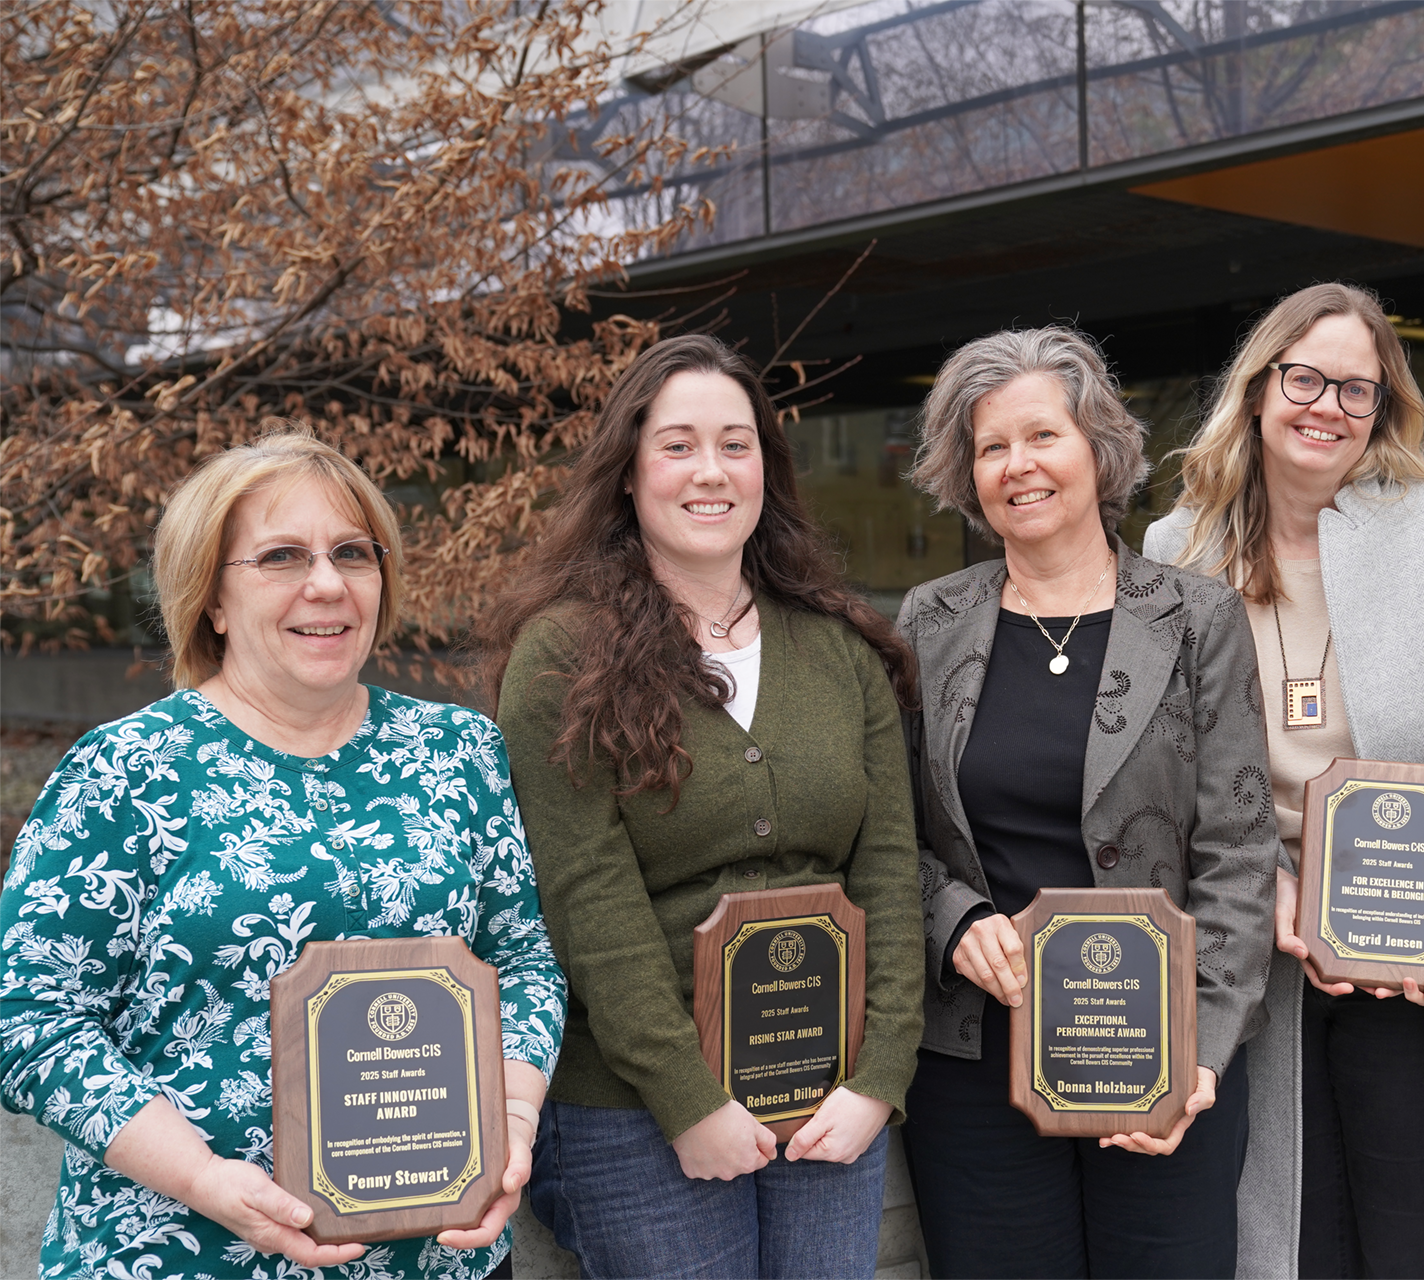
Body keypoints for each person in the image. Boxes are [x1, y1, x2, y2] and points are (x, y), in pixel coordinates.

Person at [0, 424, 567, 1280]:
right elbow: (30, 1020)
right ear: (211, 600)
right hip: (182, 1254)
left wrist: (513, 1123)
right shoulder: (125, 772)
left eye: (353, 553)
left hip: (436, 1259)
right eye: (280, 558)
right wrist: (202, 1178)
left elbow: (524, 959)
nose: (328, 585)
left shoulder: (461, 753)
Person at [1144, 283, 1424, 1280]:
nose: (1327, 407)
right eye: (1305, 378)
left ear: (1385, 407)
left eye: (1357, 390)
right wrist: (1265, 889)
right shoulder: (1176, 552)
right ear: (1260, 387)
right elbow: (1166, 766)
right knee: (1293, 1241)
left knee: (1420, 1232)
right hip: (1268, 942)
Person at [481, 334, 923, 1280]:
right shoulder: (563, 655)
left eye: (737, 442)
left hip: (828, 1092)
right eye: (678, 445)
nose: (710, 471)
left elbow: (888, 874)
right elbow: (585, 899)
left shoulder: (840, 650)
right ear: (628, 474)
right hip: (637, 1110)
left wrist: (881, 1076)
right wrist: (687, 1100)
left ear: (768, 466)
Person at [897, 326, 1279, 1280]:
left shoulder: (1197, 618)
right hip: (979, 1051)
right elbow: (883, 835)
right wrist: (953, 922)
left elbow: (1239, 846)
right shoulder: (927, 623)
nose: (1018, 466)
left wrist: (1202, 1051)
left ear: (1097, 450)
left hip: (1158, 1050)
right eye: (991, 447)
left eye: (1042, 437)